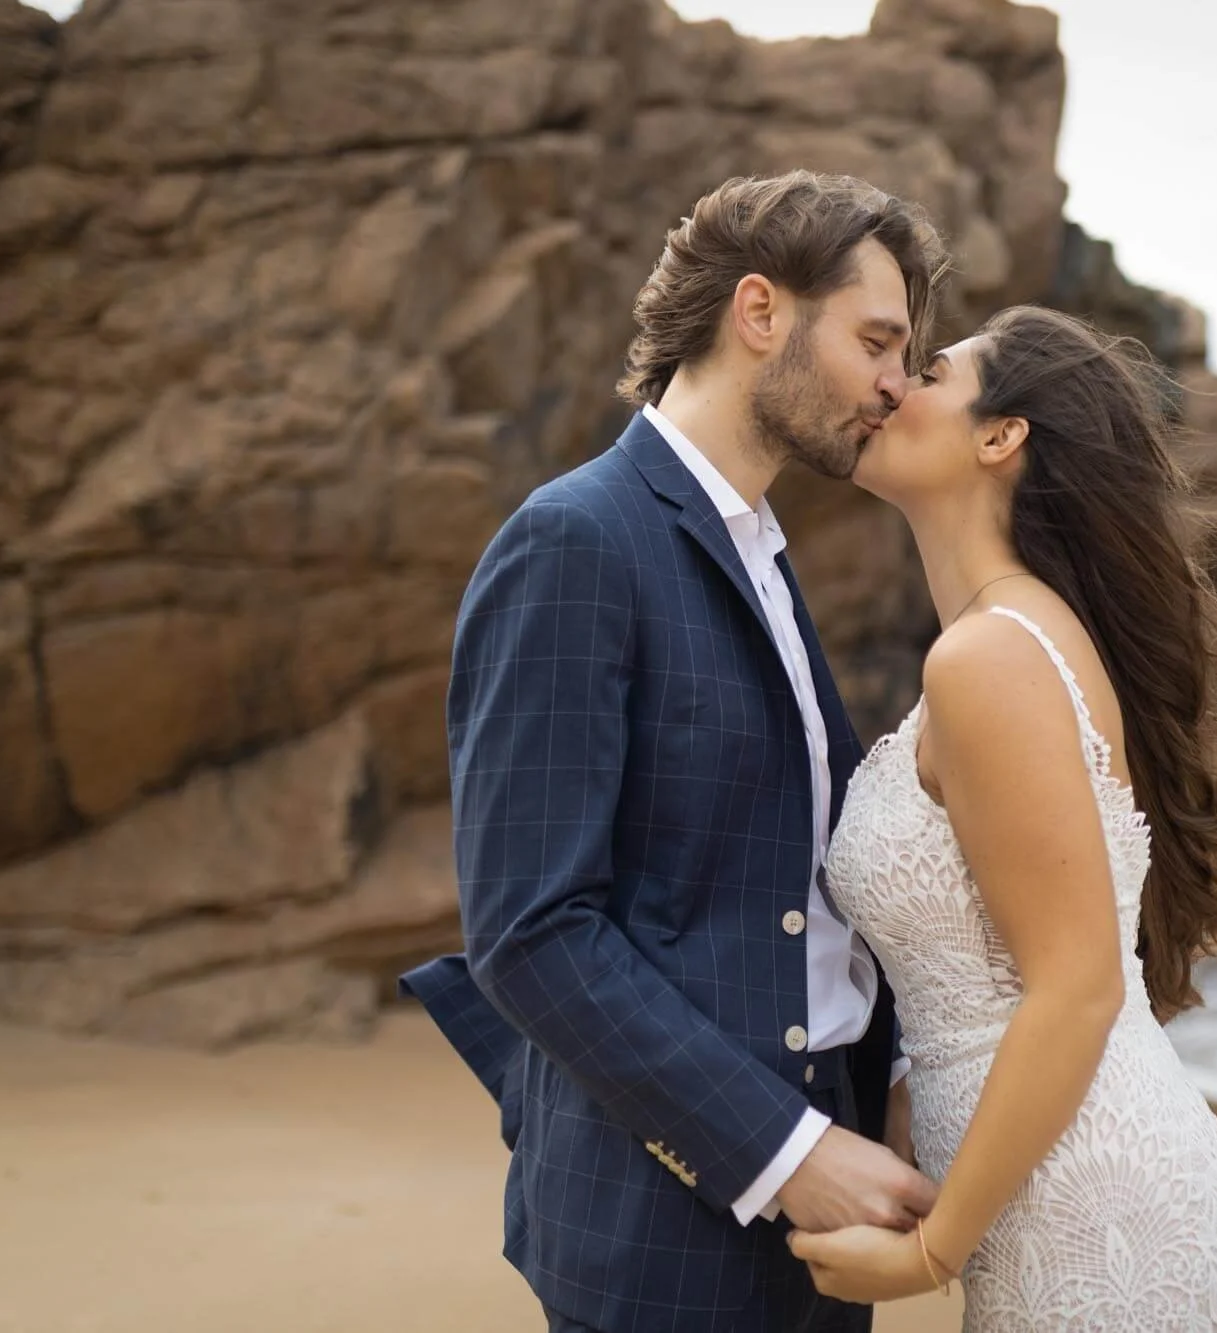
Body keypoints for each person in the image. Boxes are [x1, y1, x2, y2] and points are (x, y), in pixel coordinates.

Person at [399, 170, 949, 1332]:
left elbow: (800, 879)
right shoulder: (573, 540)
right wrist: (790, 1152)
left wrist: (887, 1079)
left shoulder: (763, 552)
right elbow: (531, 930)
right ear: (760, 313)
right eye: (876, 342)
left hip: (821, 1226)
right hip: (659, 1237)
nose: (896, 386)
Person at [792, 305, 1217, 1331]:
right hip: (1064, 1195)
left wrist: (930, 1250)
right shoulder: (1006, 639)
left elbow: (1076, 989)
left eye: (928, 372)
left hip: (1099, 1218)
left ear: (999, 435)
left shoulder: (989, 657)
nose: (888, 386)